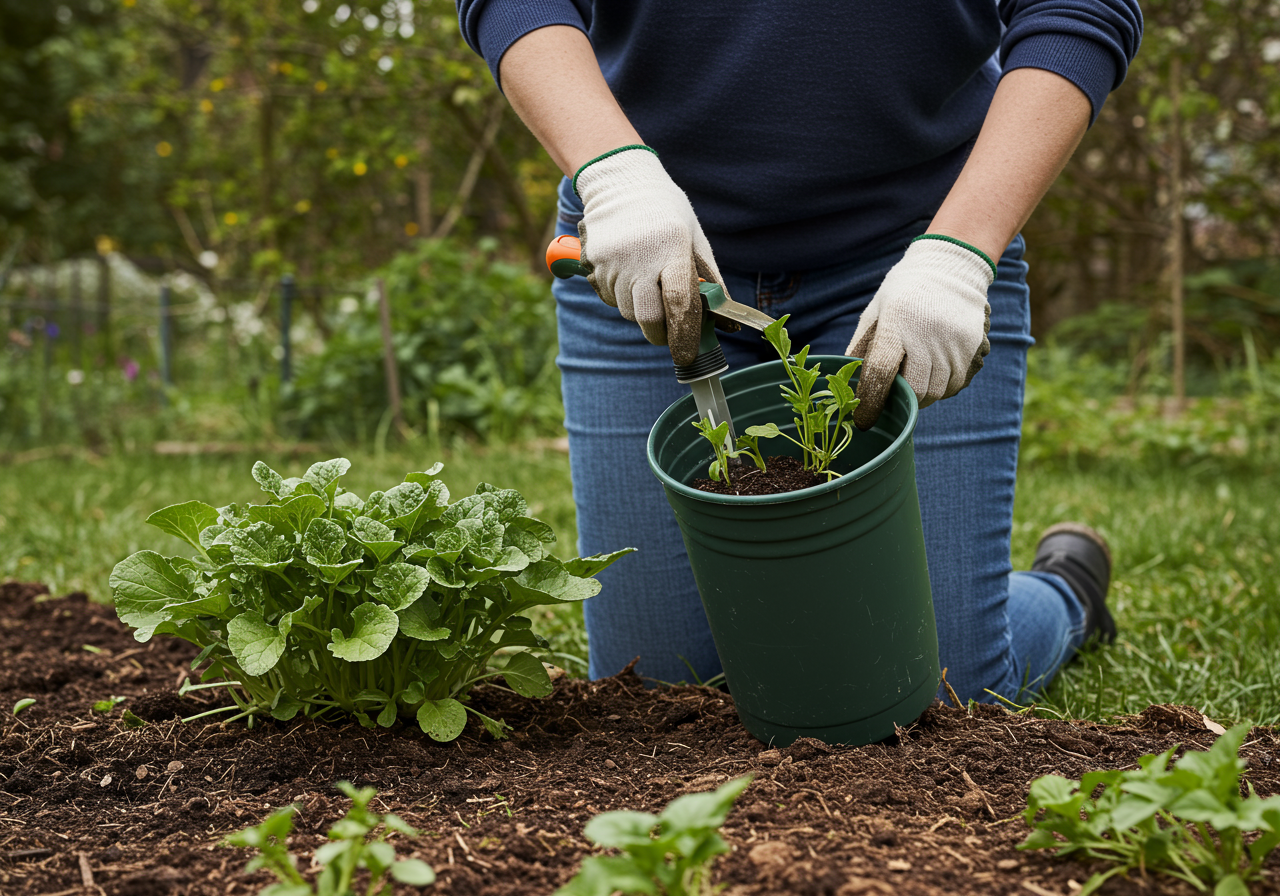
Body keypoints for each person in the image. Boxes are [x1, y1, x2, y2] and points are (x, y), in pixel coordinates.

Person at [456, 2, 1142, 702]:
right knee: (655, 694)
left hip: (916, 253)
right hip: (647, 243)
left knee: (936, 690)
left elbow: (1078, 9)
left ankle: (1066, 593)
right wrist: (612, 174)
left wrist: (960, 254)